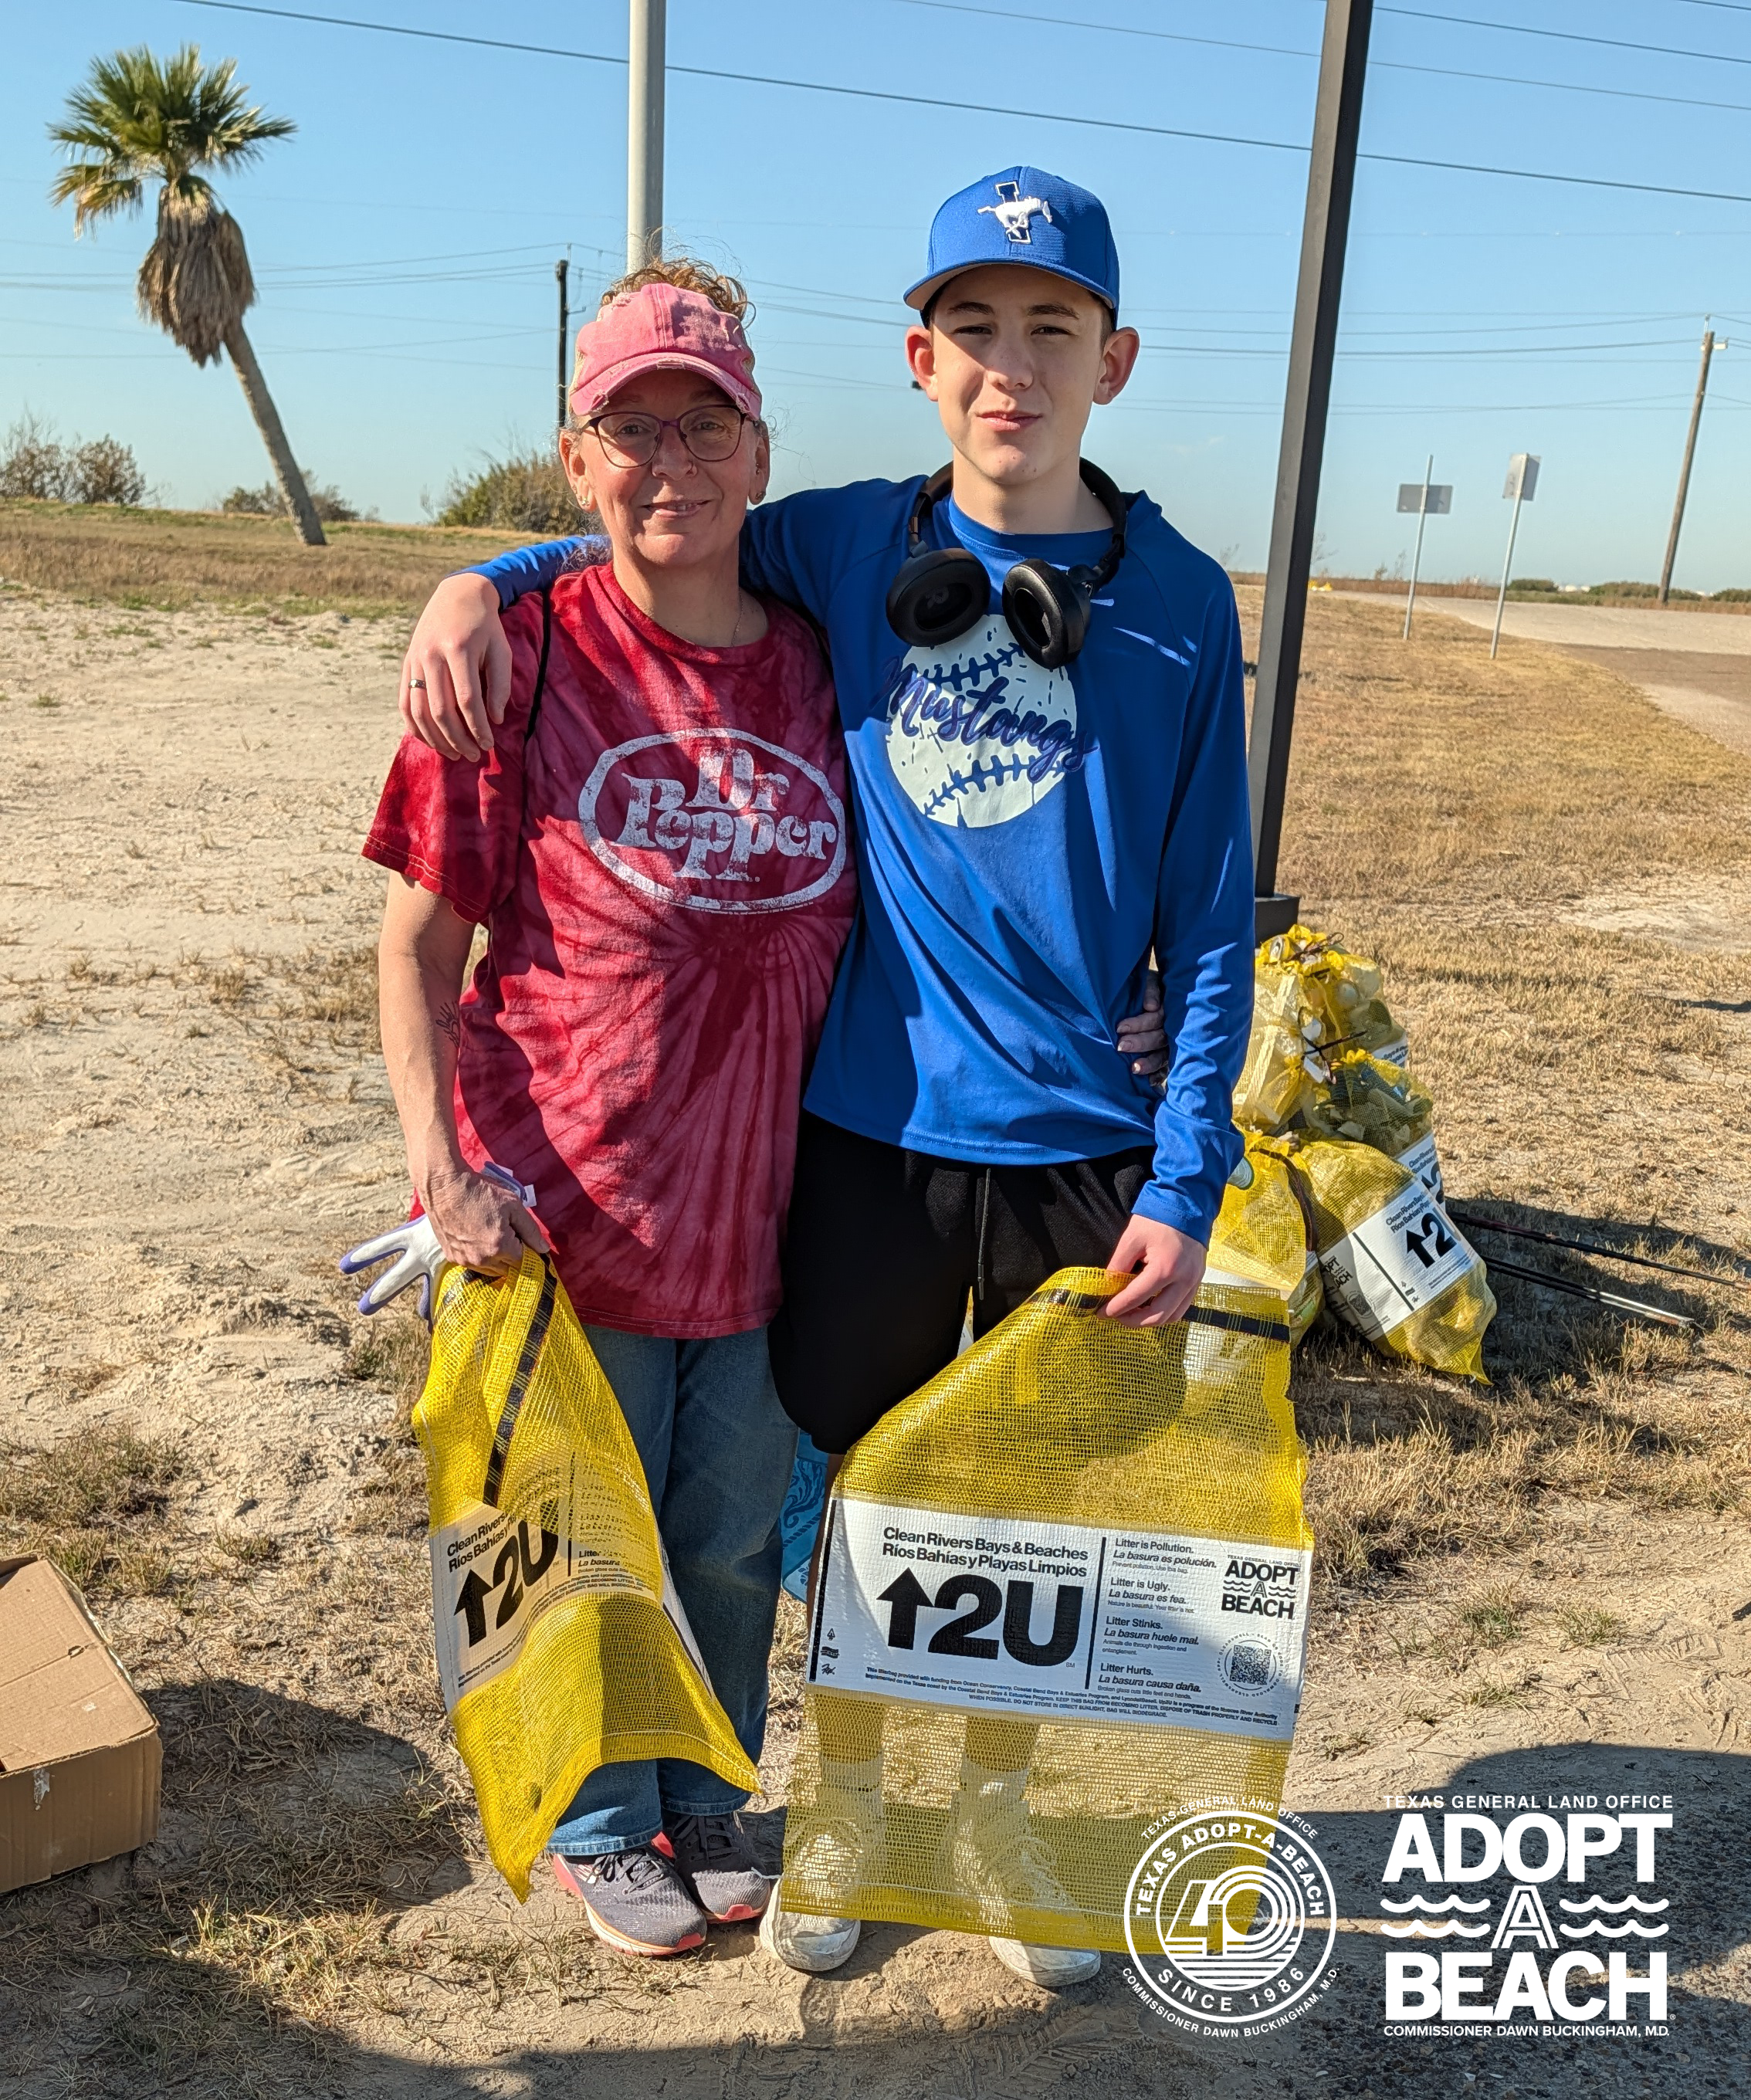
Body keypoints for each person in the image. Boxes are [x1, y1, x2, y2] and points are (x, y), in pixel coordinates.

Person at [398, 168, 1255, 1992]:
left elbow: (1216, 930)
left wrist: (1187, 1180)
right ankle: (854, 1815)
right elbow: (647, 528)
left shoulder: (1184, 604)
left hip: (1086, 1160)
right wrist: (481, 576)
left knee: (1032, 1533)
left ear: (1114, 357)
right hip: (862, 1144)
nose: (1008, 368)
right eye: (972, 329)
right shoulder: (849, 541)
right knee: (854, 1501)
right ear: (919, 360)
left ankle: (1001, 1818)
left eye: (1050, 330)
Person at [364, 264, 859, 1960]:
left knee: (728, 1538)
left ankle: (711, 1780)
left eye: (703, 424)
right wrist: (445, 1183)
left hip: (766, 1223)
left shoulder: (821, 664)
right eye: (630, 429)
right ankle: (594, 1816)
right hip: (560, 1214)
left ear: (759, 448)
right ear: (575, 463)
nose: (672, 462)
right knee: (579, 1541)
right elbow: (416, 958)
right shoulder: (515, 667)